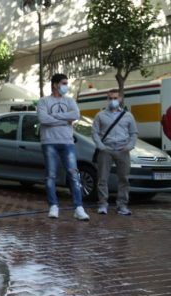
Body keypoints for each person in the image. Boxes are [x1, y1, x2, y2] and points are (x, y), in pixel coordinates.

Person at [37, 73, 90, 221]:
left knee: (74, 174)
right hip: (49, 142)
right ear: (55, 84)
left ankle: (78, 208)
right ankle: (53, 206)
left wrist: (54, 118)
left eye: (66, 83)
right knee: (50, 176)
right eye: (64, 83)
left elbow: (76, 115)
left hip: (67, 142)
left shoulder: (70, 100)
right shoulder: (43, 101)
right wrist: (65, 119)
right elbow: (43, 119)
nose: (66, 86)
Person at [92, 89, 137, 216]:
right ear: (107, 99)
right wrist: (101, 146)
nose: (113, 100)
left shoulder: (128, 115)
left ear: (120, 99)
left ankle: (122, 206)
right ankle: (102, 205)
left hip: (123, 150)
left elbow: (134, 133)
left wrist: (129, 146)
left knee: (124, 179)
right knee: (102, 178)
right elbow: (94, 132)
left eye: (115, 98)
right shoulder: (100, 115)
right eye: (110, 98)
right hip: (106, 149)